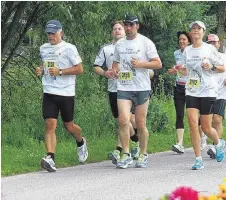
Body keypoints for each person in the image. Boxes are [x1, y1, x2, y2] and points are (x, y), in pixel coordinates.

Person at [36, 20, 88, 172]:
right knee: (50, 124)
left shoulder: (69, 48)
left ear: (61, 33)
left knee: (69, 126)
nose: (50, 36)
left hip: (66, 92)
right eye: (48, 33)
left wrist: (60, 72)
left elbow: (80, 69)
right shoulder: (43, 48)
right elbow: (45, 65)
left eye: (53, 33)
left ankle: (81, 142)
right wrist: (40, 70)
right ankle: (50, 157)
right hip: (49, 91)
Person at [112, 14, 162, 169]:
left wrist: (140, 64)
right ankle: (126, 154)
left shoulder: (146, 42)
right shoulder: (119, 44)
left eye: (131, 25)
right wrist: (113, 71)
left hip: (141, 87)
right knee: (123, 120)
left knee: (140, 123)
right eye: (126, 25)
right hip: (124, 87)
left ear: (137, 26)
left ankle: (143, 153)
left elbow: (158, 64)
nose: (128, 28)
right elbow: (115, 64)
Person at [176, 21, 226, 170]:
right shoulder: (187, 51)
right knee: (192, 123)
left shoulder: (209, 48)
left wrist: (211, 66)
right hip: (191, 90)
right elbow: (186, 71)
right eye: (193, 28)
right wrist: (179, 69)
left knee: (205, 127)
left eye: (198, 28)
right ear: (191, 33)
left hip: (207, 90)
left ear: (203, 32)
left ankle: (218, 143)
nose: (196, 30)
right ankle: (198, 159)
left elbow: (222, 68)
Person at [93, 21, 145, 165]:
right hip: (114, 88)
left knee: (127, 119)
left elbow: (148, 66)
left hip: (131, 88)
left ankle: (123, 149)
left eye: (120, 28)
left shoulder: (136, 46)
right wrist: (105, 73)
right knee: (121, 121)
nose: (117, 31)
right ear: (112, 32)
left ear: (125, 31)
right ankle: (135, 142)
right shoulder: (106, 49)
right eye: (115, 29)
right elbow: (96, 66)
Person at [204, 33, 226, 158]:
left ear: (219, 44)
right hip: (208, 92)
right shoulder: (204, 58)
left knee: (217, 119)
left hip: (222, 91)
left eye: (214, 43)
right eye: (210, 43)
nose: (212, 45)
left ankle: (215, 146)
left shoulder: (225, 57)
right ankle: (220, 142)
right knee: (208, 123)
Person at [168, 31, 192, 154]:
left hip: (192, 88)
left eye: (184, 39)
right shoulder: (176, 53)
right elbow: (179, 69)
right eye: (180, 39)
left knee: (192, 115)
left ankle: (201, 137)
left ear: (189, 41)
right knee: (179, 114)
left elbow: (187, 71)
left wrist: (179, 69)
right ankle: (180, 143)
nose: (181, 41)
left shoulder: (192, 53)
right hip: (179, 87)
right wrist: (174, 70)